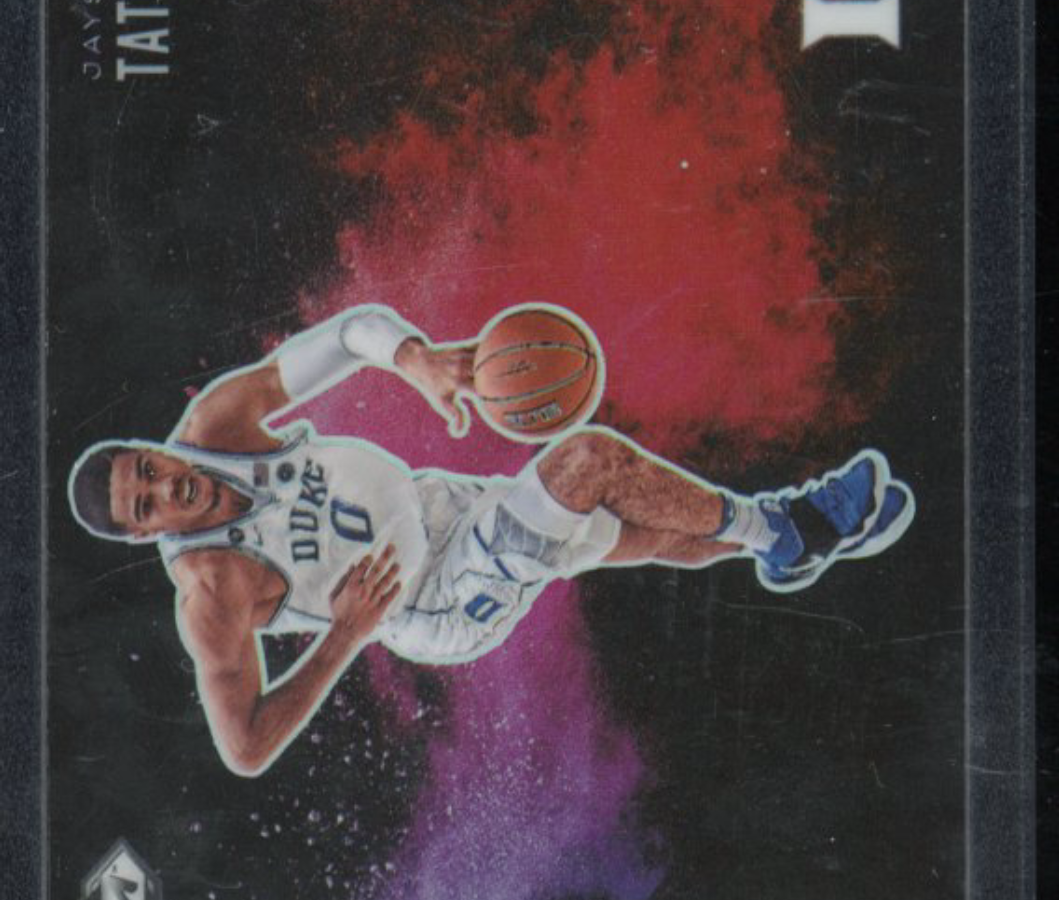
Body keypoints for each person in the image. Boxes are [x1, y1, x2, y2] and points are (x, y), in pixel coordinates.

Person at [68, 305, 915, 777]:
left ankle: (793, 537)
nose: (165, 486)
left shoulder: (215, 424)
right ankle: (786, 527)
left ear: (151, 446)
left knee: (633, 530)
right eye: (147, 504)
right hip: (433, 601)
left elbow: (349, 333)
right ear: (146, 534)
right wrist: (344, 637)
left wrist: (412, 359)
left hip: (438, 502)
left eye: (148, 468)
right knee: (588, 463)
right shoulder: (208, 596)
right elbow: (244, 748)